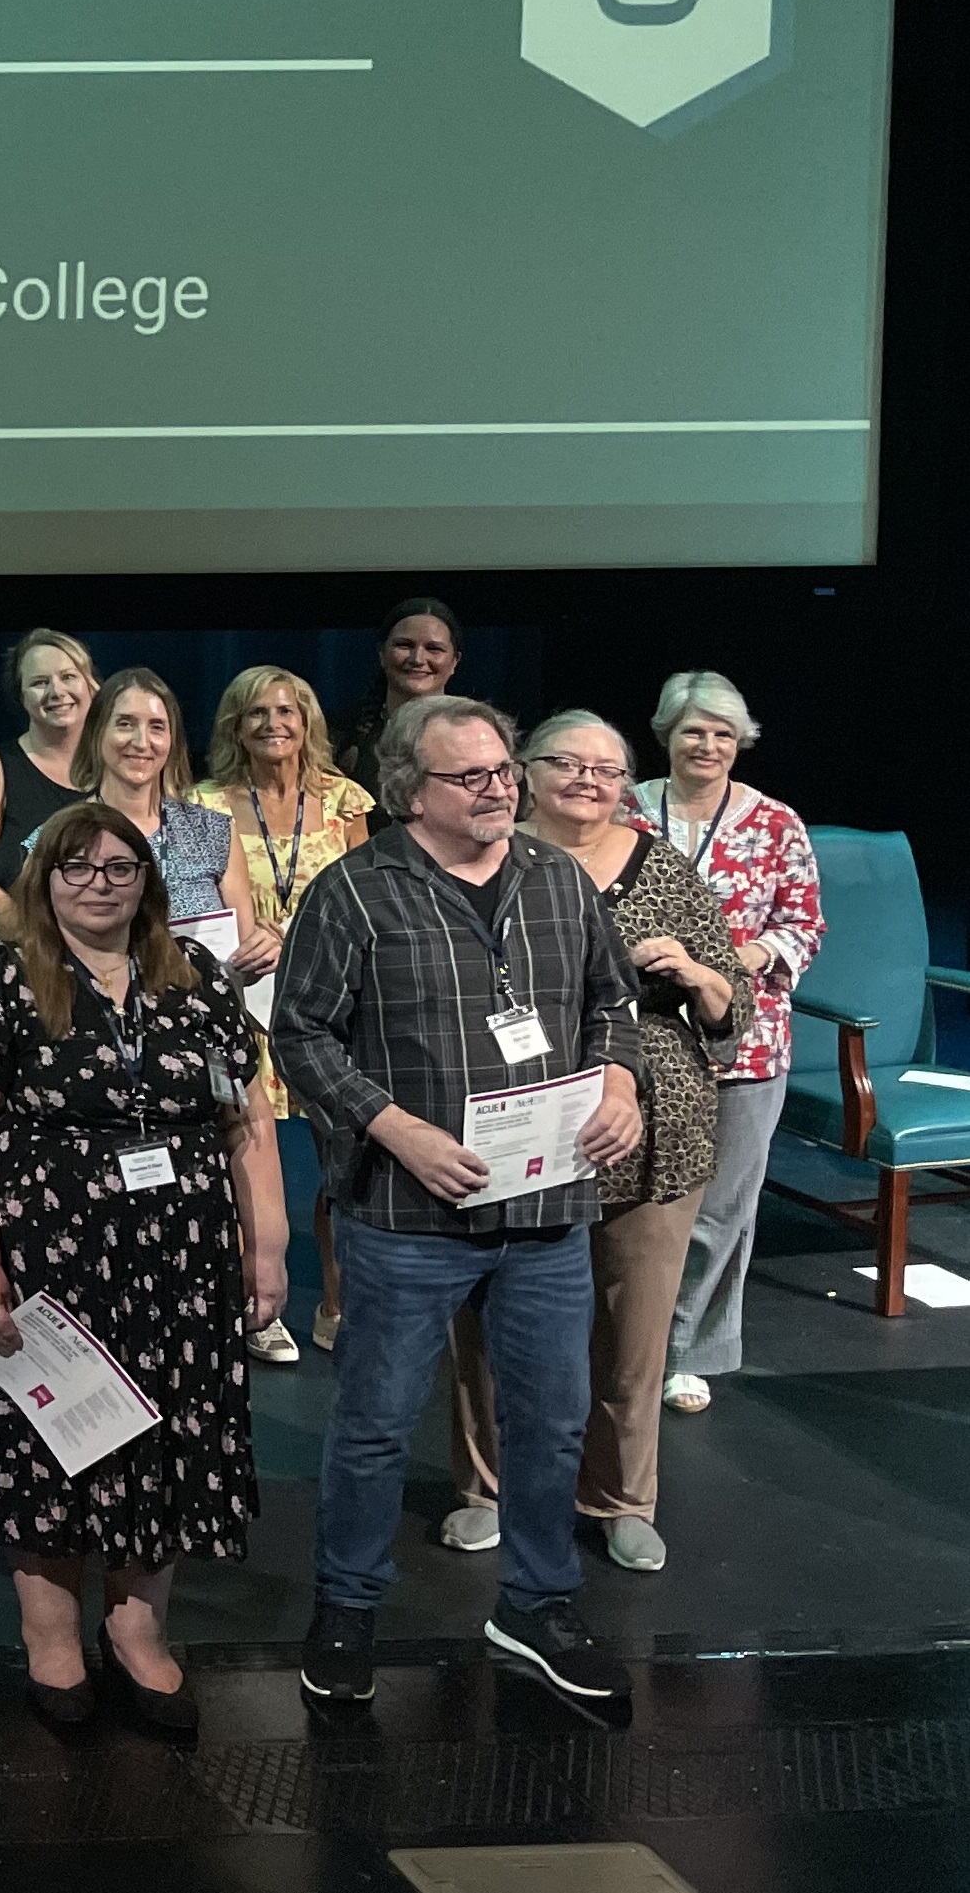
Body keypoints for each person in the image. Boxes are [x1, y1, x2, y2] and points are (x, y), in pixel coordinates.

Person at [271, 695, 645, 1712]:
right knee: (373, 1427)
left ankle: (534, 1605)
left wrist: (614, 1083)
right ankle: (345, 1610)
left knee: (551, 1423)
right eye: (468, 777)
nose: (496, 790)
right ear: (406, 793)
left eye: (500, 772)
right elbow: (297, 1034)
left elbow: (612, 1003)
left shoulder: (555, 880)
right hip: (404, 1217)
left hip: (544, 1215)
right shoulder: (353, 893)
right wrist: (390, 1126)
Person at [0, 806, 288, 1740]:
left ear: (147, 879)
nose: (98, 883)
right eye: (75, 867)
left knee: (170, 1433)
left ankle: (136, 1628)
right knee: (57, 1435)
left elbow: (243, 1117)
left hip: (185, 1254)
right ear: (43, 878)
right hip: (55, 1252)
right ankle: (49, 1636)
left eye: (119, 867)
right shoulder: (5, 977)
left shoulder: (196, 975)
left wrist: (268, 1241)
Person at [439, 713, 745, 1573]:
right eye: (566, 763)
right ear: (522, 772)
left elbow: (733, 1007)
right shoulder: (484, 855)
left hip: (654, 1128)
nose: (587, 779)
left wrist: (694, 973)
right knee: (493, 1327)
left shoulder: (665, 867)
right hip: (514, 1116)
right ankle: (485, 1489)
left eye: (607, 768)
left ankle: (620, 1497)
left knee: (632, 1334)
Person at [633, 670, 822, 1416]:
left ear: (738, 742)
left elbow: (803, 925)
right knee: (641, 1197)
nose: (706, 744)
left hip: (746, 1037)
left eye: (721, 733)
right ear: (666, 737)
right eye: (691, 730)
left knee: (721, 1208)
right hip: (641, 1032)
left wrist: (733, 958)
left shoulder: (777, 822)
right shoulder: (627, 808)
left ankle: (686, 1352)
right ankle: (629, 1337)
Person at [190, 665, 374, 1364]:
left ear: (307, 721)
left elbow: (367, 896)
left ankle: (336, 1303)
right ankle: (257, 1306)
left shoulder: (344, 798)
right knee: (240, 1151)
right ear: (234, 725)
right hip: (241, 997)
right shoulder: (201, 804)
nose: (273, 723)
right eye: (256, 712)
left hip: (330, 999)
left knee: (343, 1157)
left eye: (287, 710)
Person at [69, 670, 273, 980]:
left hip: (202, 1016)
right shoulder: (59, 837)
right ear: (97, 732)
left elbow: (244, 957)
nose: (142, 742)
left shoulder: (214, 831)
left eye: (157, 727)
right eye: (125, 724)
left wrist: (264, 951)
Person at [0, 629, 102, 909]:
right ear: (21, 697)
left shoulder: (117, 767)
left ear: (90, 685)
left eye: (68, 677)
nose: (57, 691)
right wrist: (34, 940)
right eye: (40, 682)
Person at [329, 597, 463, 794]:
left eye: (434, 649)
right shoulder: (341, 738)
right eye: (404, 645)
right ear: (382, 654)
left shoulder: (481, 734)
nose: (417, 659)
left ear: (455, 661)